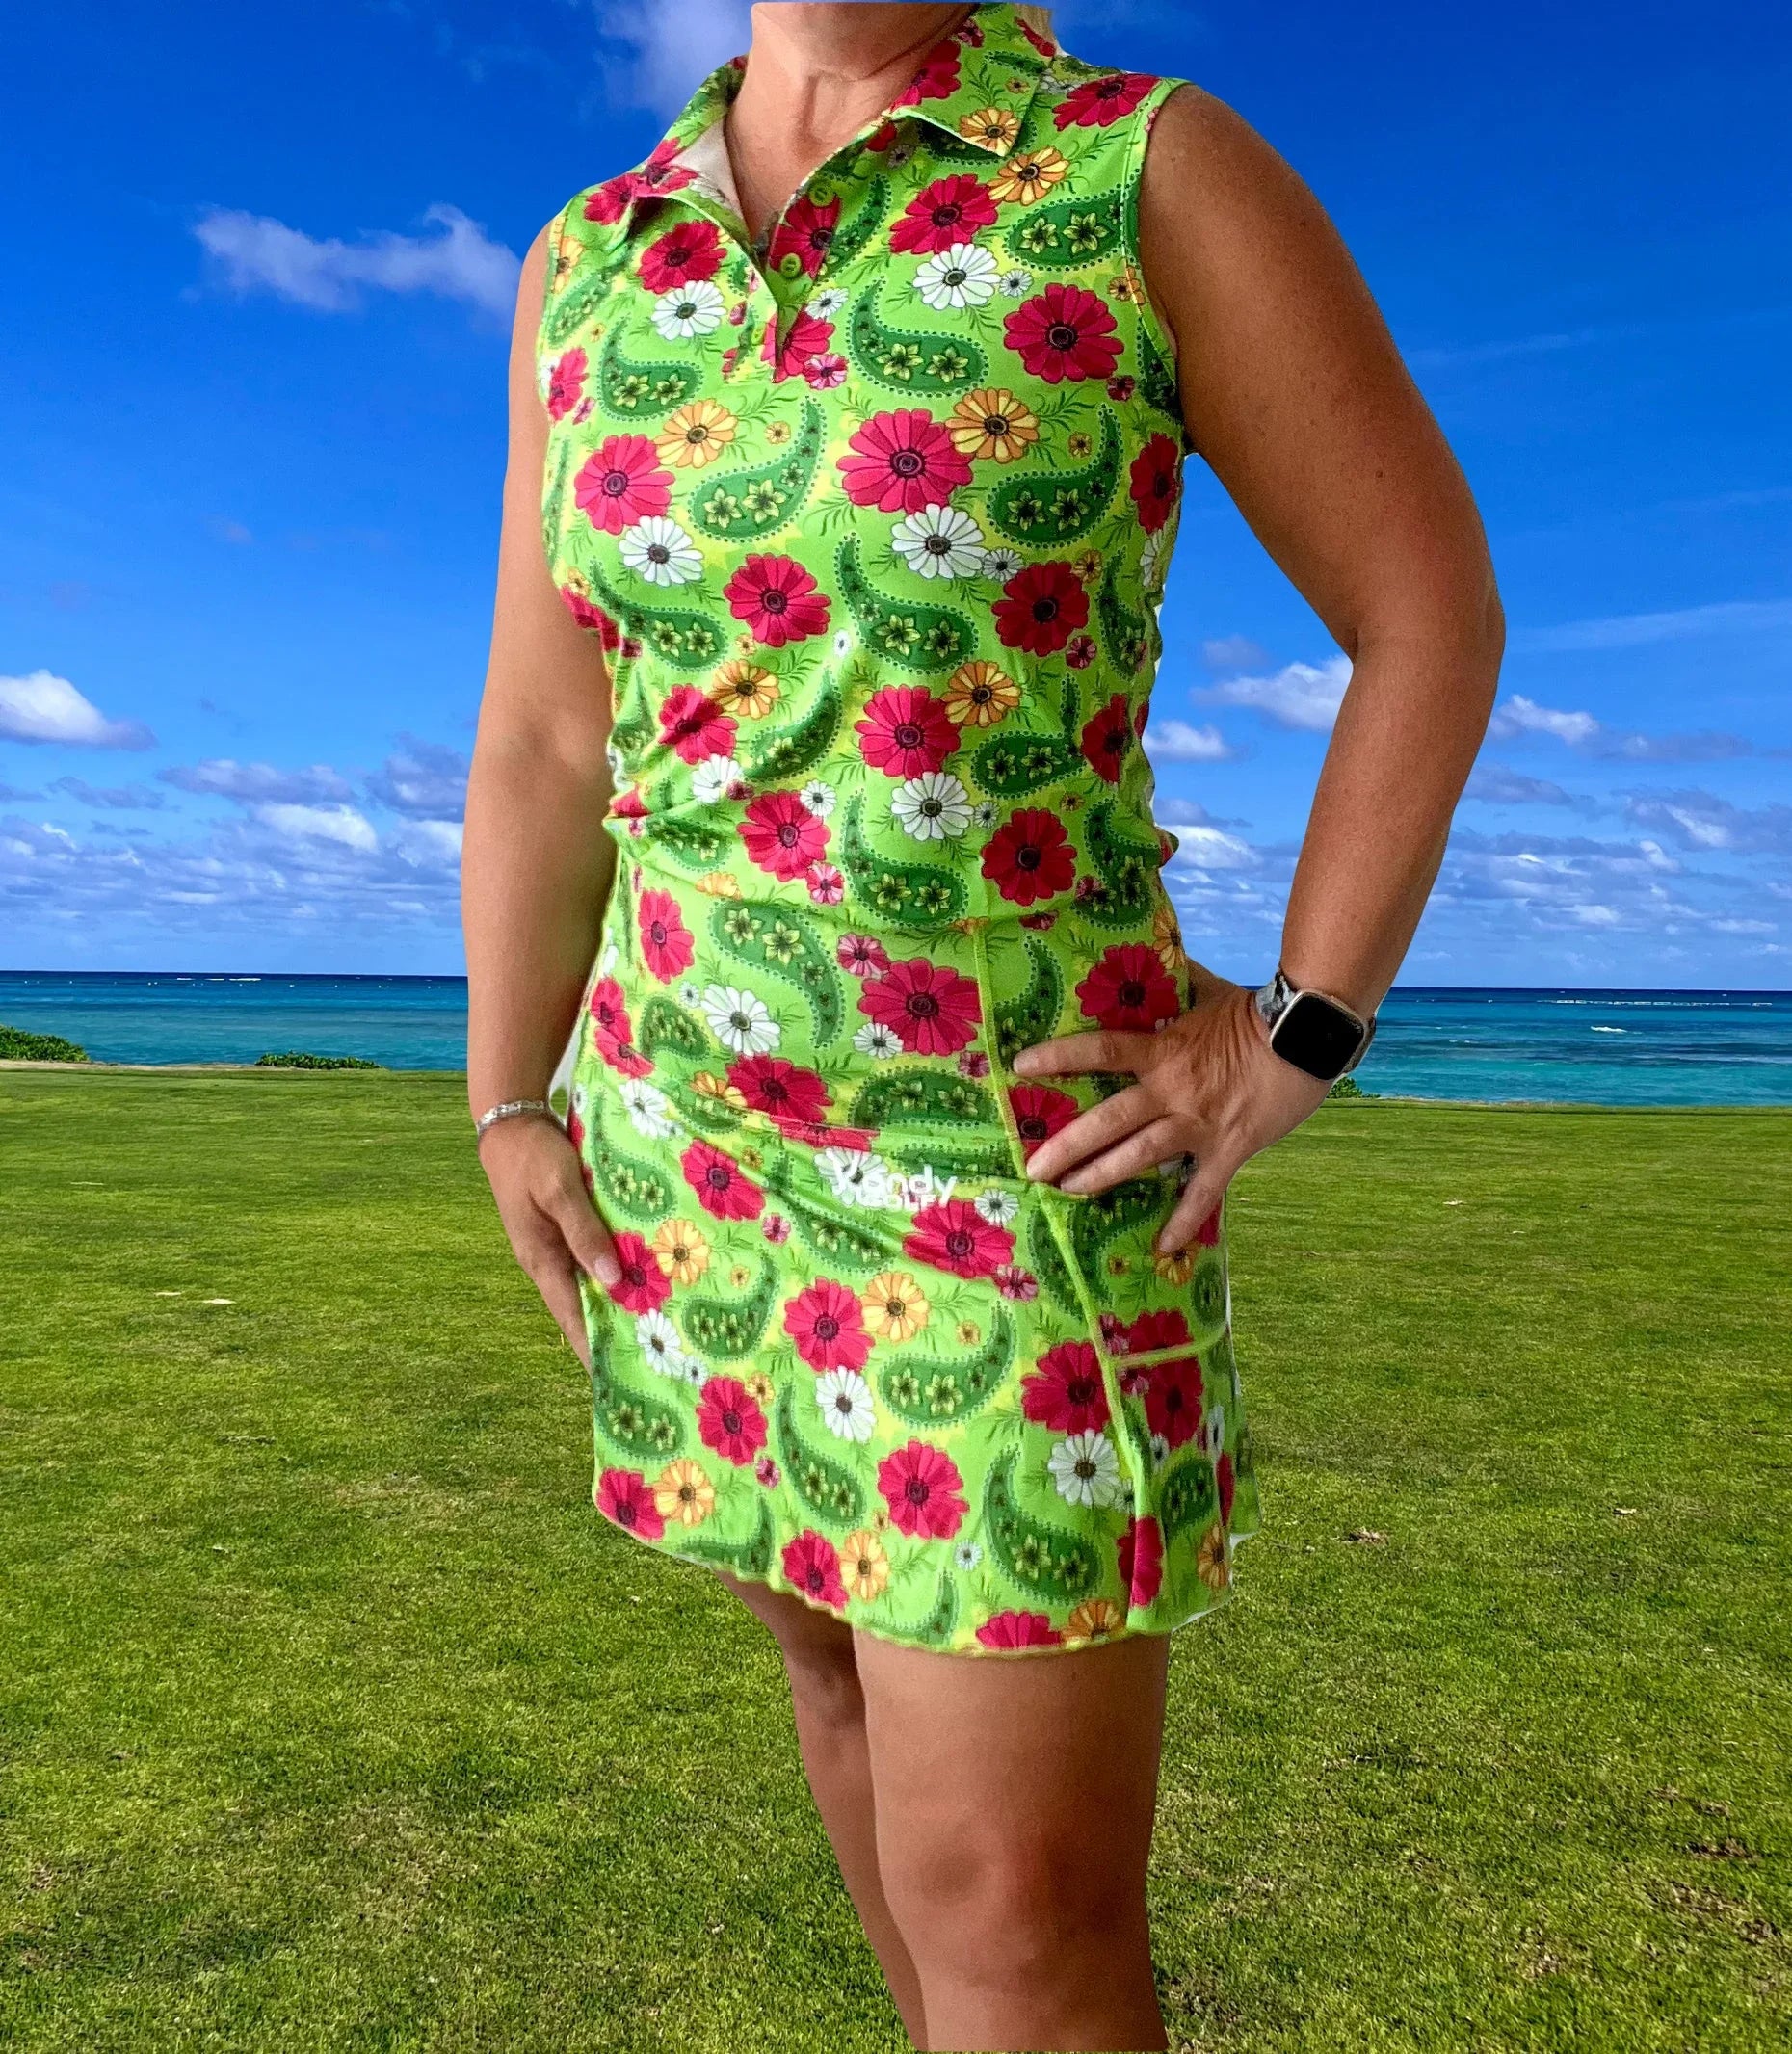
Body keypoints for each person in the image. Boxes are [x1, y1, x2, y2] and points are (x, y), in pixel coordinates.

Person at [461, 5, 1501, 2046]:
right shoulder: (591, 259)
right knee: (835, 1693)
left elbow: (1426, 605)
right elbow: (543, 727)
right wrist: (512, 1092)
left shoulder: (1139, 172)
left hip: (1005, 1176)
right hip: (691, 1158)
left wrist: (1290, 1030)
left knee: (1022, 1923)